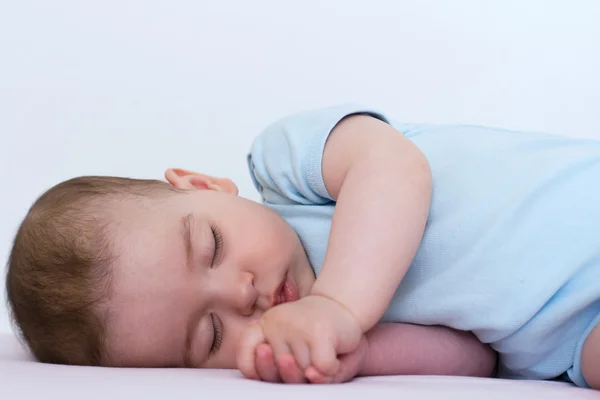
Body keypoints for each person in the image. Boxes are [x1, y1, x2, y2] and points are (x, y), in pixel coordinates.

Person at [6, 103, 599, 389]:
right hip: (577, 342)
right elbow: (477, 360)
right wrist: (359, 354)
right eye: (210, 334)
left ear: (202, 185)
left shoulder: (290, 167)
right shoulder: (321, 333)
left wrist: (340, 304)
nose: (241, 295)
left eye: (211, 246)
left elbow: (393, 164)